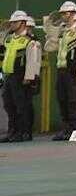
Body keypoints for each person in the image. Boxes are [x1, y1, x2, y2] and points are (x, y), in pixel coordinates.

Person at [50, 8, 76, 140]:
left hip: (74, 72)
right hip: (61, 70)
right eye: (62, 13)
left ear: (73, 14)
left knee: (73, 101)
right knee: (62, 99)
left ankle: (74, 129)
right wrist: (50, 25)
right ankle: (66, 129)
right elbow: (50, 46)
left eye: (65, 13)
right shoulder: (63, 33)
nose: (63, 15)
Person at [1, 11, 41, 142]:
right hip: (8, 76)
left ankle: (24, 132)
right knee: (9, 105)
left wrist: (29, 77)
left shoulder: (29, 41)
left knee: (22, 106)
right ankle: (12, 131)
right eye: (11, 22)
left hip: (21, 77)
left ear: (23, 23)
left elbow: (33, 60)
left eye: (15, 22)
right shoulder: (9, 39)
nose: (12, 24)